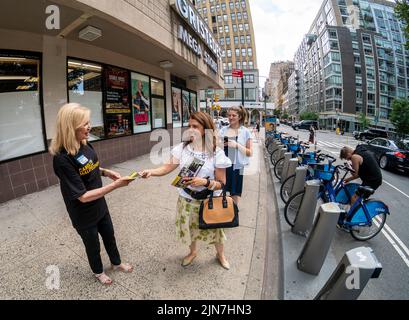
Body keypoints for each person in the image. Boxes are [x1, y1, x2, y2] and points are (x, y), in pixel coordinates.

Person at [50, 103, 134, 285]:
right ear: (70, 127)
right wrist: (117, 185)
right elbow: (83, 196)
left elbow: (90, 168)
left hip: (100, 205)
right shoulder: (62, 159)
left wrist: (106, 172)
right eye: (84, 123)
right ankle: (98, 271)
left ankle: (116, 263)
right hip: (83, 213)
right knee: (93, 245)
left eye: (88, 122)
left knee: (109, 236)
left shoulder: (86, 144)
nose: (89, 127)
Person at [138, 112, 232, 270]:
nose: (190, 129)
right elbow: (166, 167)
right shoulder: (182, 148)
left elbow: (222, 184)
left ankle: (220, 254)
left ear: (205, 129)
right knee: (190, 228)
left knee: (216, 230)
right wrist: (151, 172)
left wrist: (205, 182)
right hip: (186, 198)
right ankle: (193, 252)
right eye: (189, 126)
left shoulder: (216, 152)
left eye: (195, 126)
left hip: (209, 200)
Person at [219, 106, 253, 206]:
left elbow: (250, 152)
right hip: (223, 165)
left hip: (237, 167)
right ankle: (220, 212)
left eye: (234, 115)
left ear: (240, 117)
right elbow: (215, 147)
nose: (231, 117)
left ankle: (233, 213)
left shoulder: (246, 132)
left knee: (235, 192)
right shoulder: (222, 130)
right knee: (221, 190)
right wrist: (220, 144)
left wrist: (236, 145)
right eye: (229, 115)